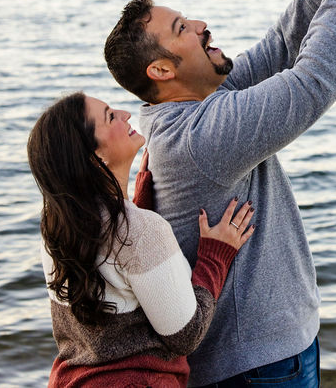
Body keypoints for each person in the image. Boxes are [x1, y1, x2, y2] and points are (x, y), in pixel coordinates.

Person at [102, 0, 336, 387]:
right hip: (255, 370)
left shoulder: (191, 110)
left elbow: (277, 49)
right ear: (161, 69)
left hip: (263, 359)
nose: (200, 25)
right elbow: (312, 83)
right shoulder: (200, 136)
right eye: (182, 28)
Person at [27, 92, 255, 388]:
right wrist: (215, 256)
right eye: (110, 116)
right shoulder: (139, 230)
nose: (125, 113)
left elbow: (116, 270)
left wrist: (136, 203)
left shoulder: (57, 226)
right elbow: (186, 334)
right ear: (95, 157)